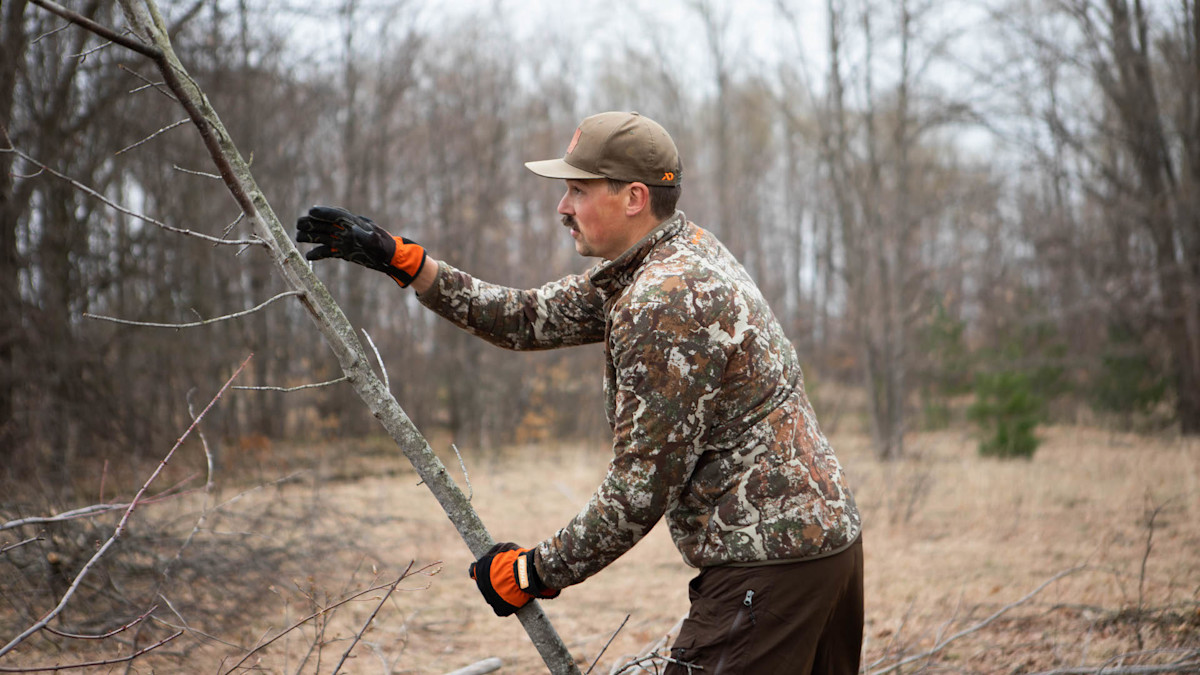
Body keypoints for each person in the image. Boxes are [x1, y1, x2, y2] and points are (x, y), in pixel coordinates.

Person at [296, 111, 864, 674]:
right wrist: (408, 263)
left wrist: (533, 572)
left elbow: (640, 489)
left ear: (634, 197)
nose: (561, 208)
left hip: (769, 576)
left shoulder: (664, 300)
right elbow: (527, 318)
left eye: (576, 190)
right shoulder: (675, 257)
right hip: (821, 552)